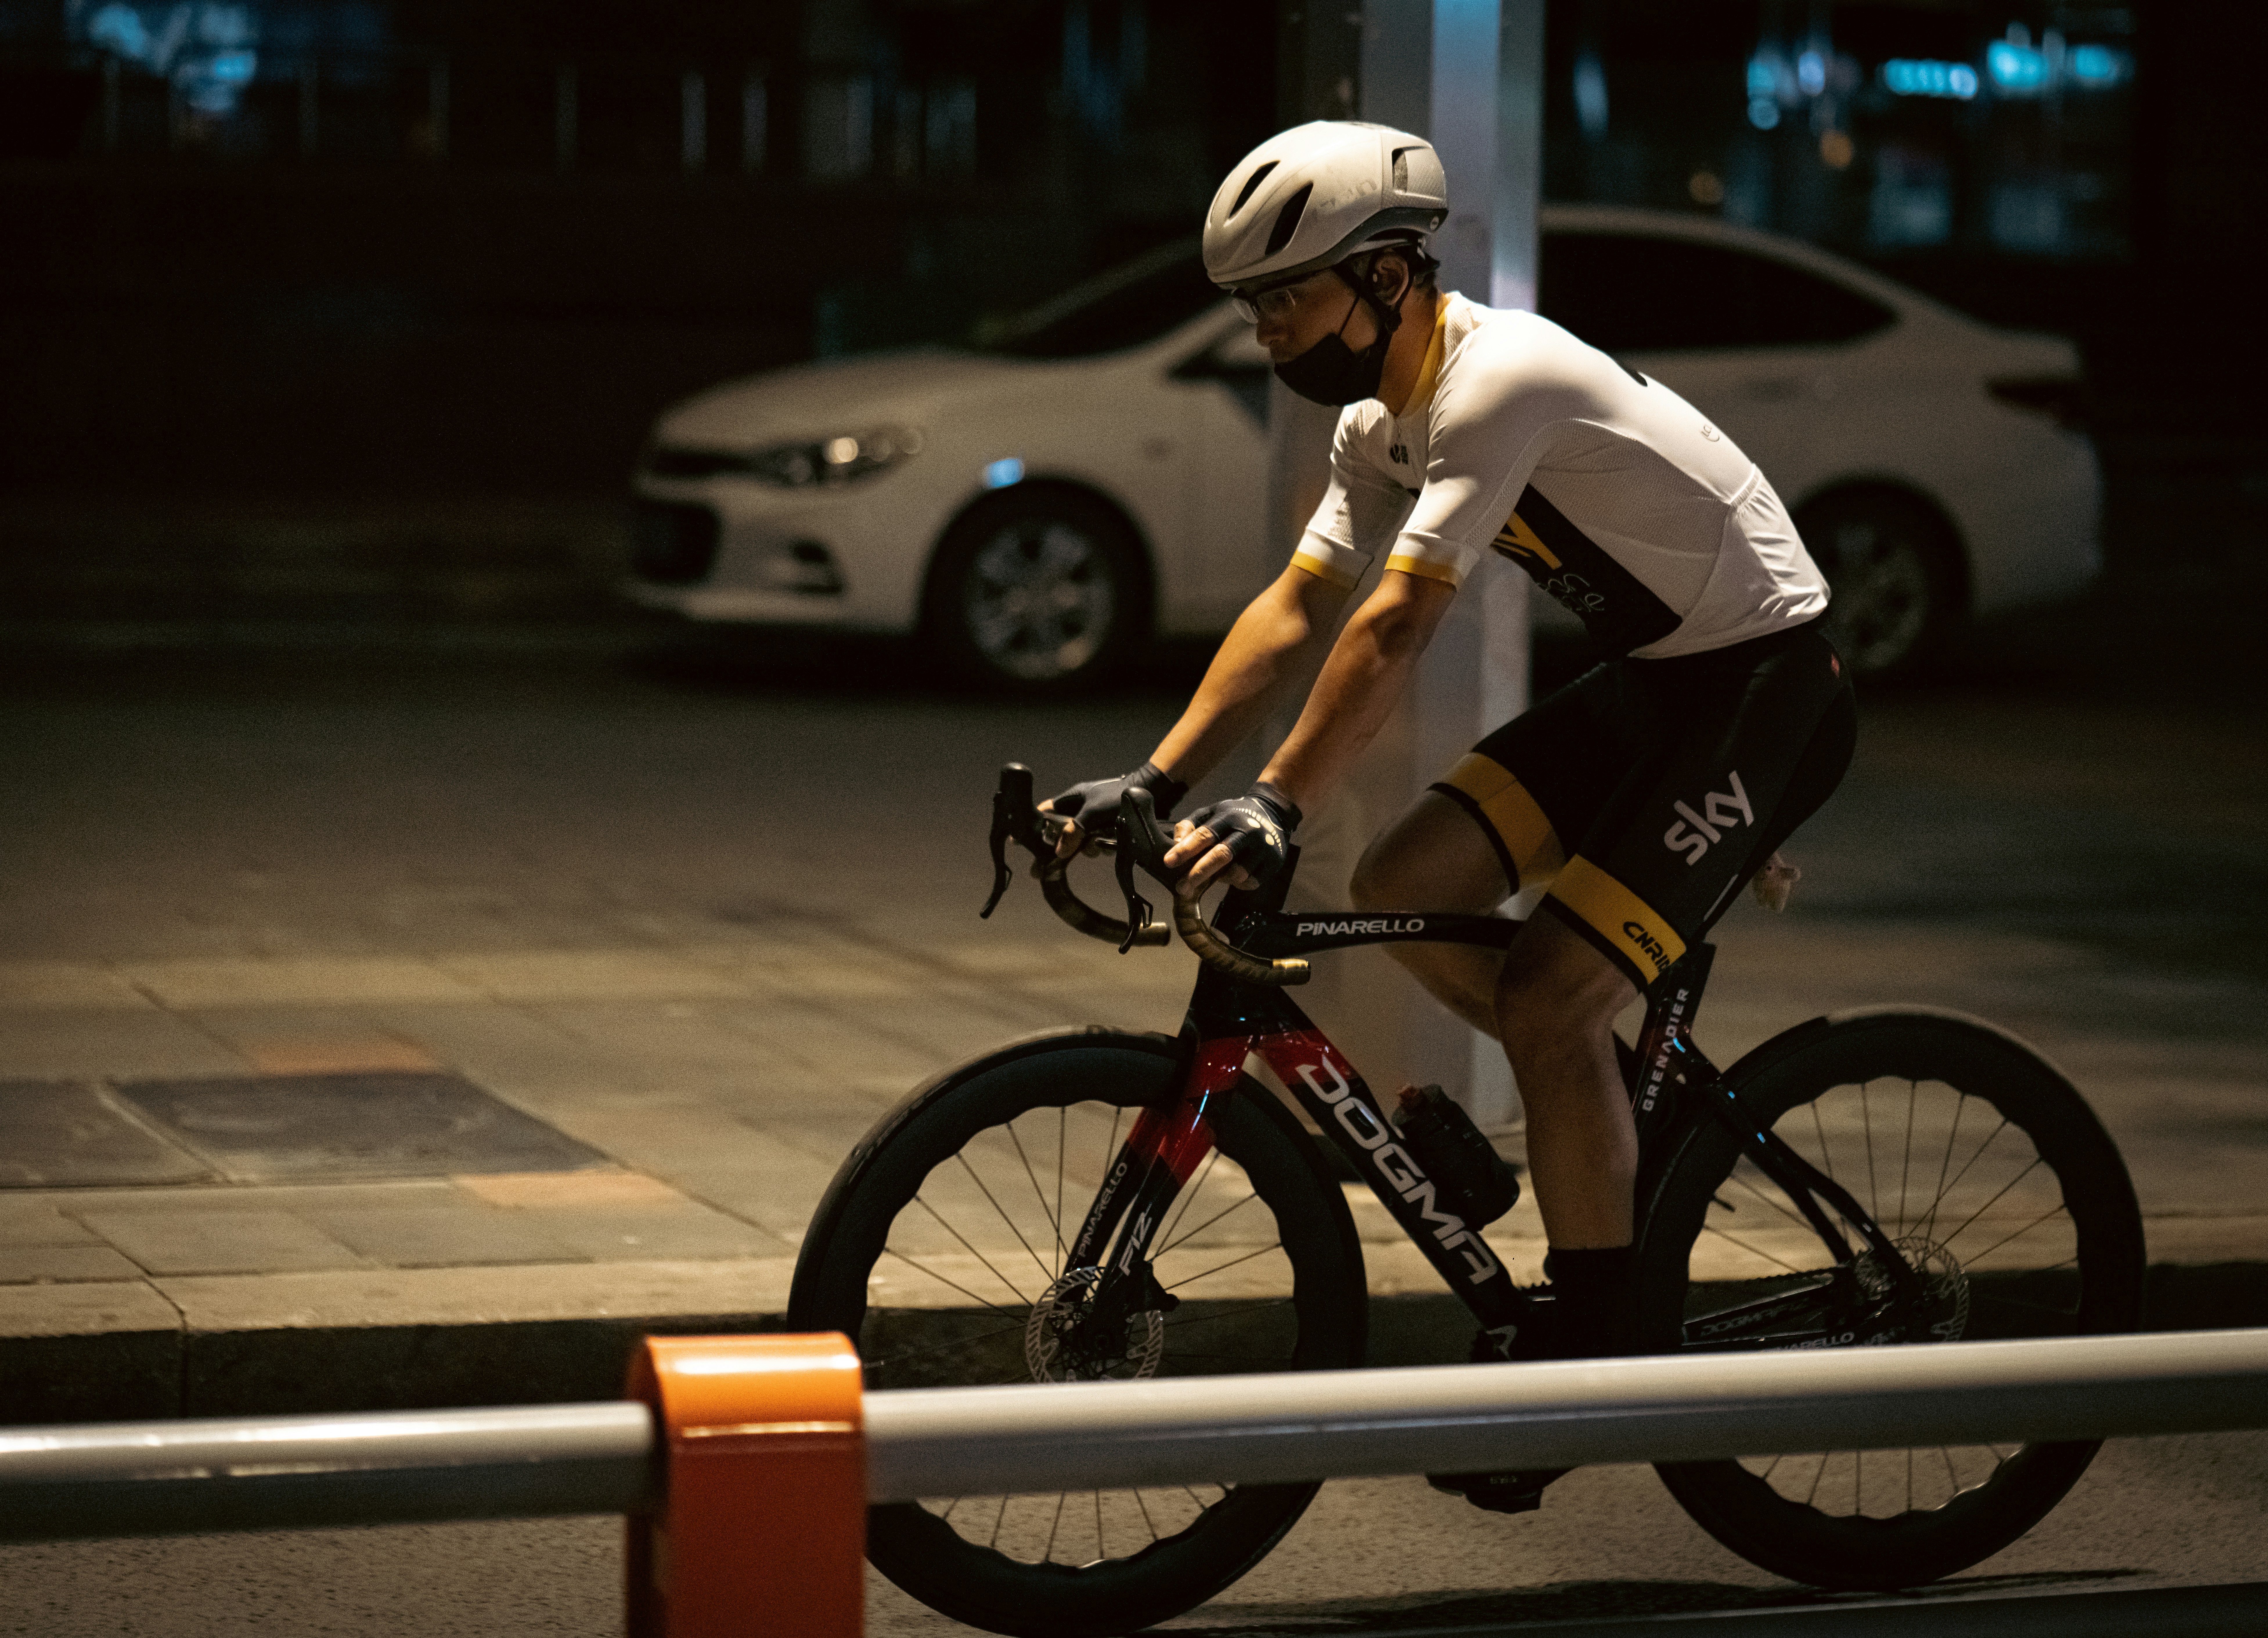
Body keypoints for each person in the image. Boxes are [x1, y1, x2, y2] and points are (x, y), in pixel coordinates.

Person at [1041, 120, 1857, 1510]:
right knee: (1406, 873)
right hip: (1656, 686)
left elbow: (1398, 619)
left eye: (1287, 302)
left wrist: (1274, 799)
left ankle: (1594, 1355)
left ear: (1389, 275)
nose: (1267, 336)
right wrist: (1161, 778)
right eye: (1251, 311)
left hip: (1766, 689)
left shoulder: (1501, 379)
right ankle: (1595, 1097)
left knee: (1546, 1001)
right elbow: (1298, 605)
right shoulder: (1380, 424)